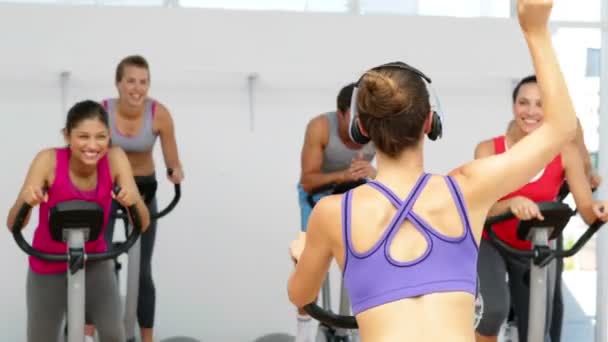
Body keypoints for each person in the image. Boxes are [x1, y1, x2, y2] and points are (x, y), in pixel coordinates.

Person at [287, 1, 606, 341]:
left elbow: (301, 298)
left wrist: (302, 256)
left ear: (361, 127)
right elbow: (560, 128)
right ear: (430, 121)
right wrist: (536, 30)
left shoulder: (333, 214)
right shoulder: (467, 189)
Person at [474, 75, 607, 342]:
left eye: (539, 104)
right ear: (514, 107)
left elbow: (586, 209)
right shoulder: (488, 150)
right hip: (493, 242)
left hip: (535, 248)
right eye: (524, 103)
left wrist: (599, 209)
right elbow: (481, 208)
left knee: (536, 325)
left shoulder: (565, 152)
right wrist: (511, 204)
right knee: (493, 312)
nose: (531, 111)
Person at [6, 100, 150, 342]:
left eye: (100, 137)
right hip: (47, 265)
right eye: (83, 136)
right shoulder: (48, 160)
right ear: (67, 135)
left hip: (95, 261)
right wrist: (27, 203)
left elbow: (143, 224)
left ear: (109, 136)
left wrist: (132, 202)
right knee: (41, 338)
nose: (92, 145)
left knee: (115, 335)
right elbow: (13, 224)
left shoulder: (115, 159)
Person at [85, 55, 184, 342]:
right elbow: (88, 153)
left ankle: (146, 338)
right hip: (106, 188)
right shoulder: (102, 112)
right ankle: (87, 336)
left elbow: (172, 160)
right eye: (131, 81)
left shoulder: (159, 114)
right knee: (97, 260)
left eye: (143, 82)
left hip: (142, 191)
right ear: (119, 83)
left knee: (142, 270)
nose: (137, 88)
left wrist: (175, 170)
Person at [502, 115, 601, 342]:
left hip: (550, 217)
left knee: (550, 288)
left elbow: (585, 166)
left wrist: (590, 178)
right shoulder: (528, 121)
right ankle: (514, 321)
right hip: (519, 212)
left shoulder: (571, 123)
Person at [294, 83, 376, 341]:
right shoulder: (320, 127)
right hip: (317, 195)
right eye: (355, 120)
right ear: (341, 114)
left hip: (355, 195)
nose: (361, 130)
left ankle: (359, 328)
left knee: (366, 264)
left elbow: (394, 176)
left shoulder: (377, 130)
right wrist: (343, 174)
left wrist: (372, 173)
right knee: (309, 268)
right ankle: (304, 333)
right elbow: (307, 180)